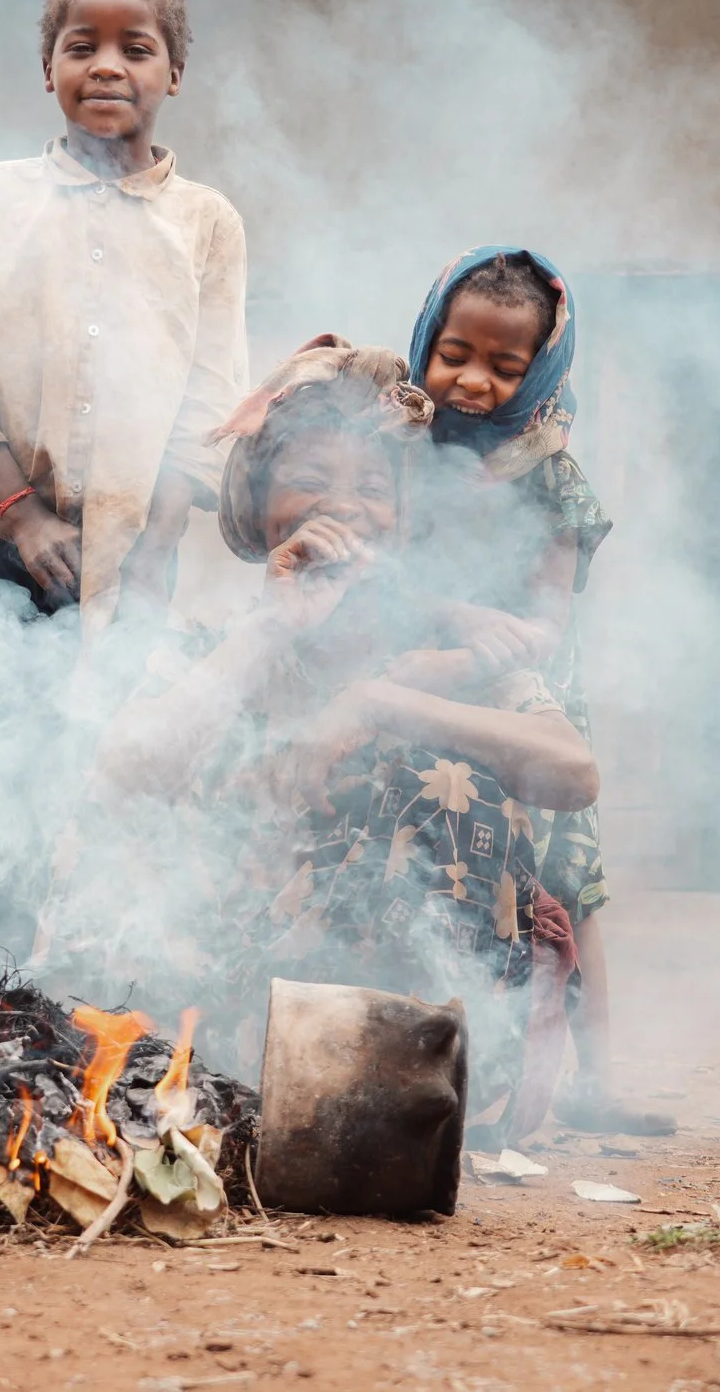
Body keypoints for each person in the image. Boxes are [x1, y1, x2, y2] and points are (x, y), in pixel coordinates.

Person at [78, 342, 597, 1135]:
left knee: (440, 778)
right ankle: (237, 1086)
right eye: (312, 481)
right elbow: (122, 773)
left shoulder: (446, 654)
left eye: (372, 489)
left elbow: (574, 771)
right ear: (259, 508)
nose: (345, 507)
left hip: (420, 1048)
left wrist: (381, 702)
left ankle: (400, 1095)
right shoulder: (222, 645)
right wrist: (273, 627)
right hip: (235, 1020)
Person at [0, 0, 249, 984]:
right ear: (44, 67)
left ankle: (67, 1007)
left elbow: (207, 403)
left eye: (135, 48)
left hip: (139, 547)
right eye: (78, 45)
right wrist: (22, 513)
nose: (106, 66)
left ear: (172, 74)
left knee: (96, 772)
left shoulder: (206, 223)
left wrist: (150, 549)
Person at [404, 245, 674, 1137]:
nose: (472, 381)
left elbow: (546, 623)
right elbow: (373, 571)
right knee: (439, 873)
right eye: (455, 354)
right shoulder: (393, 449)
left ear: (540, 370)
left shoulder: (552, 474)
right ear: (426, 340)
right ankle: (443, 1079)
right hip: (418, 688)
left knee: (572, 889)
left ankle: (596, 1083)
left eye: (504, 365)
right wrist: (448, 613)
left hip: (529, 705)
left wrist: (493, 638)